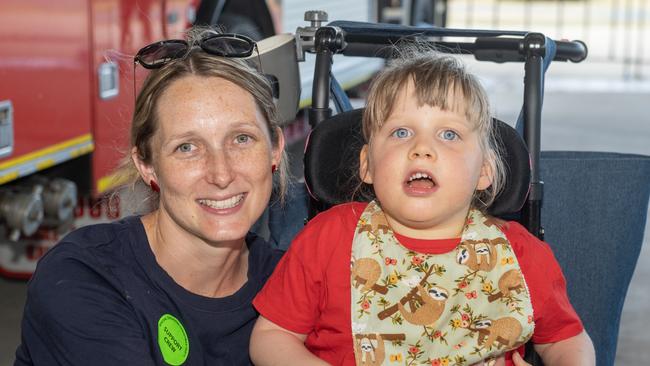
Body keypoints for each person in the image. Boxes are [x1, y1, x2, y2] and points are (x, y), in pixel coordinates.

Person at [250, 52, 596, 365]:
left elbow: (568, 341)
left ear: (485, 171)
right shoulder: (327, 239)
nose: (422, 149)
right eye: (401, 132)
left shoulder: (522, 255)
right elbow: (271, 338)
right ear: (368, 164)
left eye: (448, 135)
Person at [15, 27, 287, 365]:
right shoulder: (84, 278)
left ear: (275, 148)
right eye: (187, 147)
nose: (221, 173)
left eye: (242, 139)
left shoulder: (293, 284)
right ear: (147, 165)